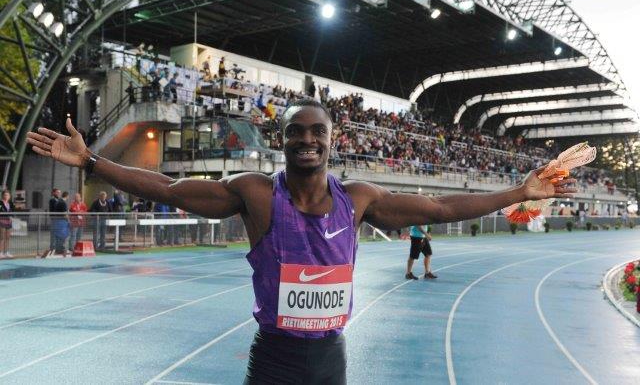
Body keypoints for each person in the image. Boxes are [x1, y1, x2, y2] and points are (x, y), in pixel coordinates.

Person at [26, 102, 576, 384]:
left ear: (332, 141)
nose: (307, 140)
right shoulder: (256, 195)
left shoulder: (358, 199)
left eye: (317, 132)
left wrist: (520, 191)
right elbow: (169, 188)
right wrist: (92, 162)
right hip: (275, 359)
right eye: (296, 131)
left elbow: (441, 209)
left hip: (331, 358)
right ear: (282, 139)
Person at [0, 190, 15, 258]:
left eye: (8, 195)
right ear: (2, 195)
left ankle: (6, 252)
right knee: (2, 237)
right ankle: (0, 253)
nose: (7, 196)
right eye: (5, 195)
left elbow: (13, 211)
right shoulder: (0, 203)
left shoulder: (11, 203)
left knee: (7, 238)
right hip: (1, 221)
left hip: (9, 222)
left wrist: (11, 216)